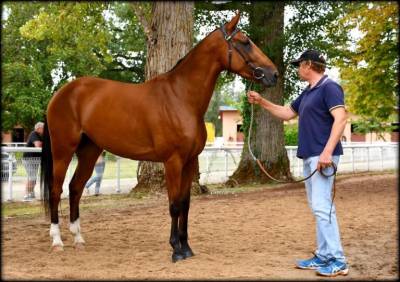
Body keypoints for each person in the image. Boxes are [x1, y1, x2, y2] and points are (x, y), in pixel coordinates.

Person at [247, 49, 348, 277]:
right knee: (318, 207)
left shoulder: (329, 87)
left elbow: (341, 118)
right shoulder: (309, 91)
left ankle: (338, 260)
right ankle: (323, 255)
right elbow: (286, 113)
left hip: (323, 156)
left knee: (323, 208)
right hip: (311, 156)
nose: (297, 68)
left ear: (309, 65)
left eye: (299, 65)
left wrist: (327, 152)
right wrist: (262, 101)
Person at [22, 122, 44, 202]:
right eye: (43, 128)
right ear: (38, 128)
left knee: (33, 177)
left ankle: (31, 193)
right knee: (32, 177)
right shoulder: (34, 134)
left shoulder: (41, 136)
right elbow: (38, 145)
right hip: (29, 159)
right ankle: (27, 194)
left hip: (35, 160)